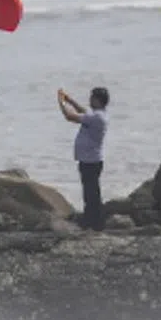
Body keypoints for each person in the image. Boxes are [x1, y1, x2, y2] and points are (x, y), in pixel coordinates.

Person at [57, 86, 110, 231]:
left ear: (98, 101)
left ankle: (93, 222)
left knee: (91, 194)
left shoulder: (97, 117)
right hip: (90, 159)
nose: (90, 100)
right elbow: (83, 111)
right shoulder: (98, 115)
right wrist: (69, 100)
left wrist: (61, 102)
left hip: (90, 161)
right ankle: (93, 220)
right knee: (91, 192)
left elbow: (70, 117)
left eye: (92, 98)